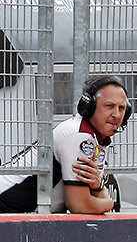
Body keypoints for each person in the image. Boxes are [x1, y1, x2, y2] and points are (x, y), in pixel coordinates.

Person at [0, 74, 130, 214]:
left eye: (121, 108)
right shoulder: (79, 136)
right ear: (89, 106)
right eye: (109, 106)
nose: (116, 115)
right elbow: (80, 206)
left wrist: (98, 188)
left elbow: (93, 197)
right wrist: (109, 203)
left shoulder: (95, 138)